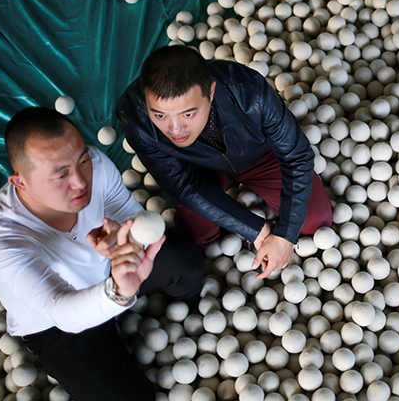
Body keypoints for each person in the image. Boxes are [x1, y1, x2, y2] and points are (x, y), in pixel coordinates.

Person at [0, 107, 204, 401]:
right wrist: (119, 290)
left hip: (112, 271)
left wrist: (129, 241)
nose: (80, 181)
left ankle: (192, 306)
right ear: (19, 182)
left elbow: (126, 209)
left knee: (187, 260)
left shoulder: (94, 164)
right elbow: (59, 309)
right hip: (56, 324)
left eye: (81, 159)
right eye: (60, 174)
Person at [116, 45, 333, 279]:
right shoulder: (136, 116)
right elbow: (183, 185)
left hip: (259, 156)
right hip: (197, 167)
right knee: (196, 229)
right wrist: (257, 231)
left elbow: (297, 156)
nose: (175, 129)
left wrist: (286, 235)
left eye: (188, 114)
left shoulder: (248, 90)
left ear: (210, 92)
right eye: (160, 115)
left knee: (315, 220)